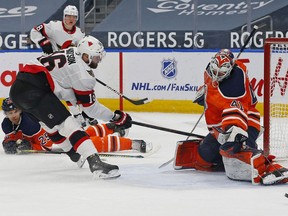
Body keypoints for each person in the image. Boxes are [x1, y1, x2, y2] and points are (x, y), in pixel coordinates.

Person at [9, 35, 131, 179]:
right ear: (86, 56)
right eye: (96, 57)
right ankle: (95, 163)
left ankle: (75, 155)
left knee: (51, 127)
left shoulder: (72, 51)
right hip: (34, 90)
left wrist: (79, 108)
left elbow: (66, 91)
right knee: (69, 125)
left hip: (18, 91)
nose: (99, 60)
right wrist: (116, 117)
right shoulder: (83, 75)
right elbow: (92, 109)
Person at [174, 49, 288, 185]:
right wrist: (205, 93)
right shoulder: (210, 70)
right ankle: (225, 159)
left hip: (245, 122)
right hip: (221, 127)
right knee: (204, 156)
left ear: (229, 69)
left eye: (221, 73)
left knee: (239, 153)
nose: (216, 75)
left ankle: (269, 168)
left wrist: (234, 135)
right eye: (214, 70)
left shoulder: (234, 82)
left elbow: (235, 111)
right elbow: (212, 85)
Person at [1, 98, 150, 156]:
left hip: (57, 137)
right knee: (84, 134)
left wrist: (29, 145)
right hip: (61, 129)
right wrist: (9, 143)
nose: (13, 115)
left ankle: (132, 143)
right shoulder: (6, 124)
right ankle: (112, 127)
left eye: (16, 111)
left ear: (21, 110)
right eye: (10, 113)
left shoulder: (29, 123)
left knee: (90, 144)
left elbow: (46, 145)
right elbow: (12, 136)